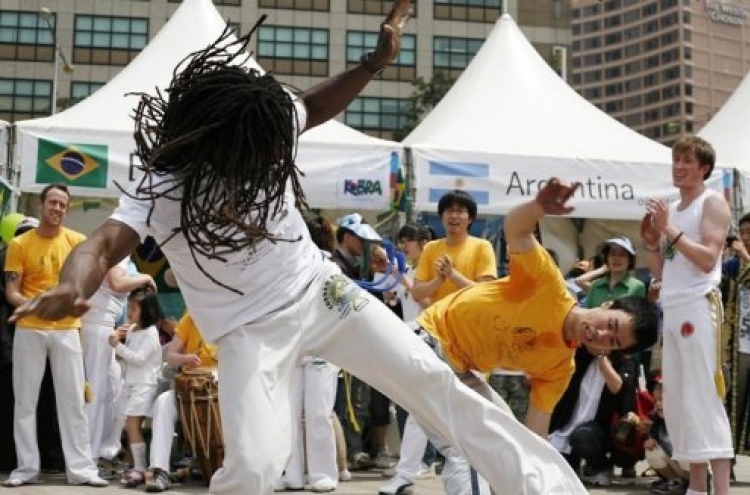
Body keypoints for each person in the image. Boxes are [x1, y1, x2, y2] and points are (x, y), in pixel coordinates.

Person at [12, 6, 599, 494]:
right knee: (257, 466)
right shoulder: (164, 185)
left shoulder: (266, 123)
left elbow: (313, 106)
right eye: (262, 156)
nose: (275, 160)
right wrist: (71, 284)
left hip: (323, 292)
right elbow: (100, 244)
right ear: (221, 146)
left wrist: (373, 63)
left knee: (434, 381)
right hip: (248, 332)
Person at [641, 135, 734, 495]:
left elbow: (709, 258)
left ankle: (722, 489)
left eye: (687, 161)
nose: (678, 166)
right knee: (679, 400)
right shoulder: (673, 209)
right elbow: (664, 271)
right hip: (674, 304)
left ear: (704, 168)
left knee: (704, 395)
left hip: (699, 303)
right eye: (676, 159)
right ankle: (697, 484)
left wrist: (666, 229)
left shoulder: (713, 203)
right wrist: (651, 239)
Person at [2, 184, 108, 488]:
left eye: (63, 204)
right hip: (30, 328)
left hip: (66, 329)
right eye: (53, 203)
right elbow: (12, 292)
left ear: (68, 208)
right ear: (41, 204)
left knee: (73, 401)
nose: (57, 209)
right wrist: (37, 305)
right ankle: (26, 468)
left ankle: (82, 470)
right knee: (25, 402)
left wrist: (73, 302)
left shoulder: (78, 242)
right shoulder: (20, 244)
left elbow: (85, 284)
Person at [81, 257, 156, 473]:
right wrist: (148, 276)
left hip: (110, 327)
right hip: (98, 325)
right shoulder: (117, 251)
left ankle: (106, 452)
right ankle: (89, 457)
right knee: (95, 393)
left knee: (113, 392)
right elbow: (116, 283)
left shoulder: (129, 261)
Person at [144, 311, 218, 493]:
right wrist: (185, 359)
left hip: (221, 382)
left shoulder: (228, 313)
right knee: (163, 402)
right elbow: (170, 355)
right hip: (189, 386)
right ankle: (160, 470)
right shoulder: (190, 318)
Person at [110, 288, 163, 487]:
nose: (129, 312)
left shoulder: (151, 334)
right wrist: (121, 354)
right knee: (129, 425)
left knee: (133, 425)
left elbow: (140, 359)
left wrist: (118, 347)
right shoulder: (132, 330)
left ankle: (140, 467)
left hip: (144, 385)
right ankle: (135, 465)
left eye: (133, 308)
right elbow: (130, 359)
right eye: (129, 307)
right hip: (131, 384)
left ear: (147, 310)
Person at [721, 213, 750, 460]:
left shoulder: (743, 260)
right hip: (738, 344)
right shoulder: (731, 267)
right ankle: (726, 457)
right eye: (744, 233)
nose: (747, 238)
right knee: (732, 403)